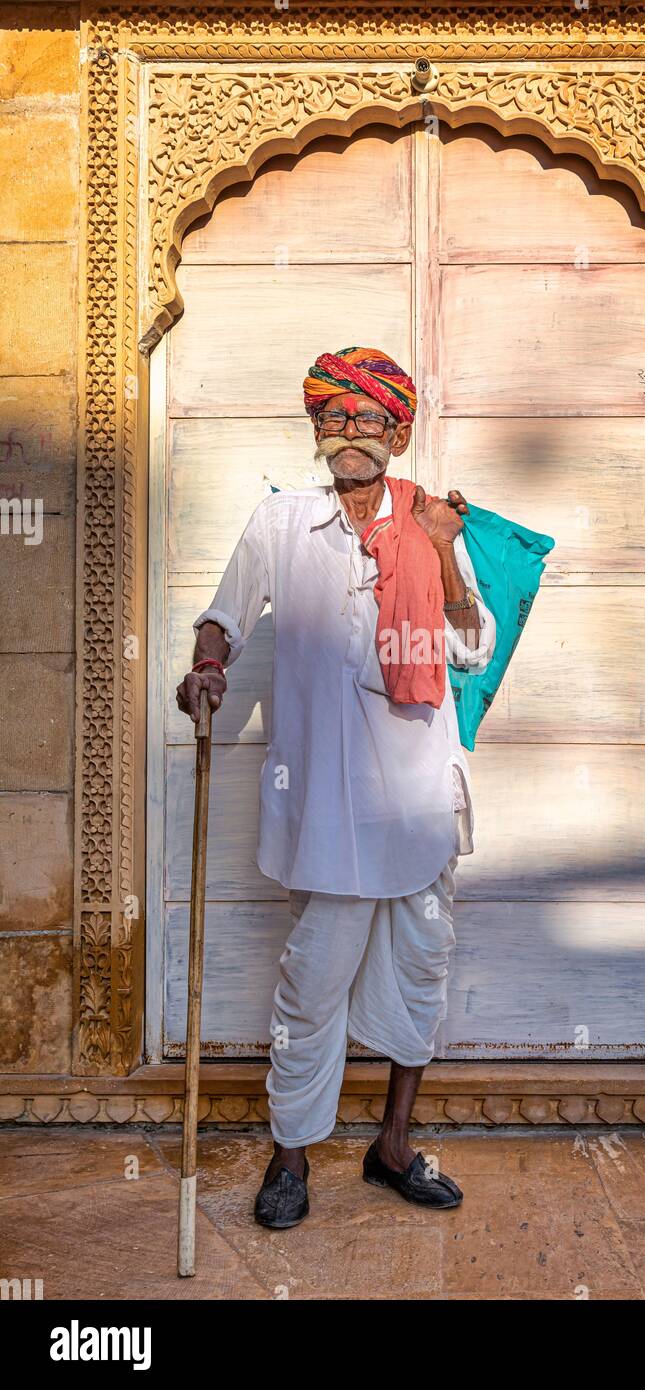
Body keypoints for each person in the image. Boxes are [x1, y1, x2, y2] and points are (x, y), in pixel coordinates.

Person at [175, 346, 495, 1228]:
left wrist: (443, 555)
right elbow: (223, 616)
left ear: (397, 429)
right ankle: (291, 1157)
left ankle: (393, 1146)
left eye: (366, 419)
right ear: (318, 428)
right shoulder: (281, 522)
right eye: (333, 417)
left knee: (419, 975)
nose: (348, 434)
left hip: (419, 797)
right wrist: (206, 668)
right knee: (311, 984)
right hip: (323, 802)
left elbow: (471, 647)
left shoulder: (432, 519)